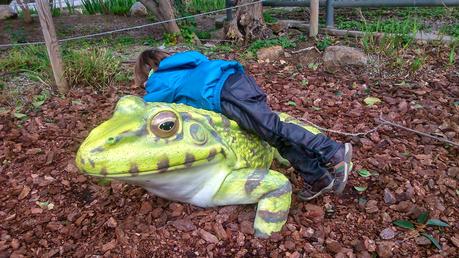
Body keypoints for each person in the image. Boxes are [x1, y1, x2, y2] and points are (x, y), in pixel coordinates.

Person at [134, 49, 352, 200]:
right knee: (272, 135)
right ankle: (318, 177)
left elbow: (148, 108)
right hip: (237, 81)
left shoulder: (157, 79)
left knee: (272, 127)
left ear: (147, 70)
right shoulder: (187, 61)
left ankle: (333, 151)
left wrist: (147, 86)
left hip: (223, 94)